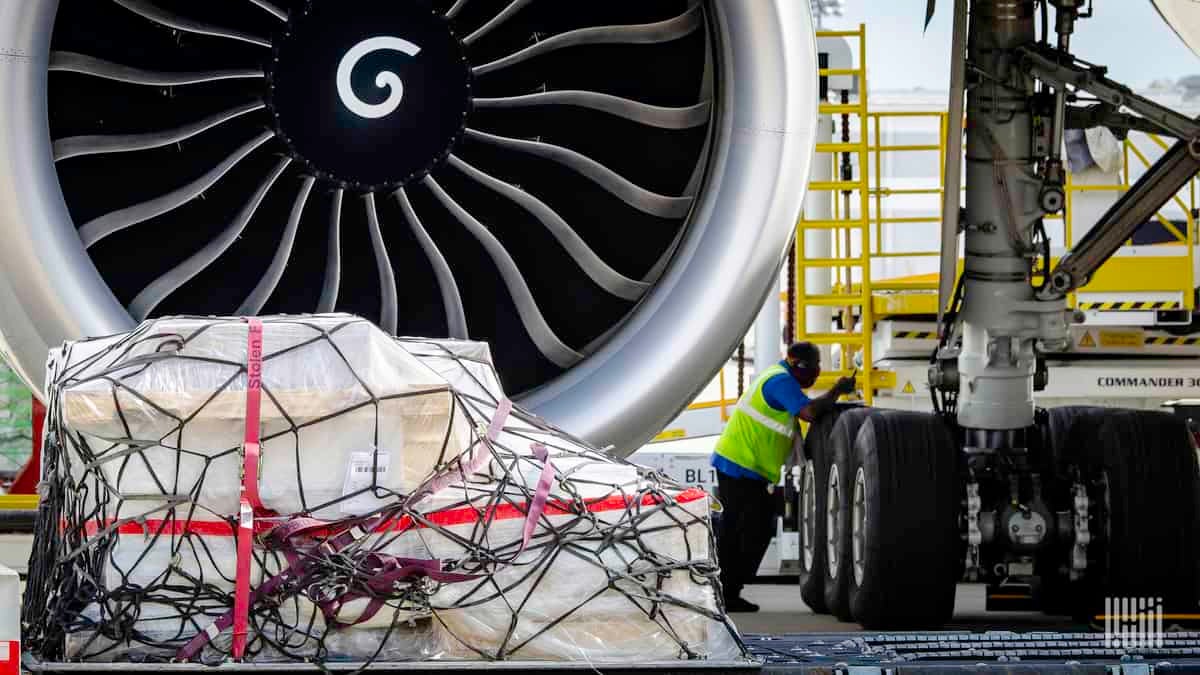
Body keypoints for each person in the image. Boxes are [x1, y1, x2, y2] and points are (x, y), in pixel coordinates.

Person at [710, 342, 856, 612]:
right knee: (746, 530)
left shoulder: (777, 377)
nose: (813, 376)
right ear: (795, 364)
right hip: (740, 464)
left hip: (744, 465)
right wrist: (836, 390)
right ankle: (726, 592)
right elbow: (810, 413)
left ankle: (727, 591)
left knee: (744, 529)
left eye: (817, 370)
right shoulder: (780, 381)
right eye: (811, 370)